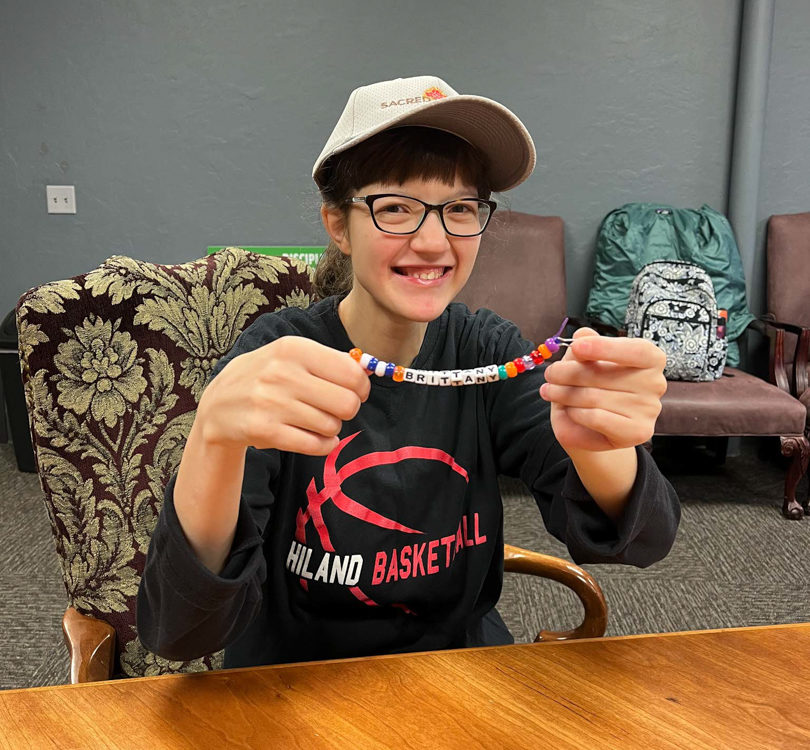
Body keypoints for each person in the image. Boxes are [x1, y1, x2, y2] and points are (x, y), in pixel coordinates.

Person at [137, 75, 680, 668]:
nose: (432, 241)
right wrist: (213, 437)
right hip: (296, 690)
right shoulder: (279, 359)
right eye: (395, 208)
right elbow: (181, 630)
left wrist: (605, 442)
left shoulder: (488, 351)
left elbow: (644, 539)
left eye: (460, 209)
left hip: (461, 680)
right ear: (339, 226)